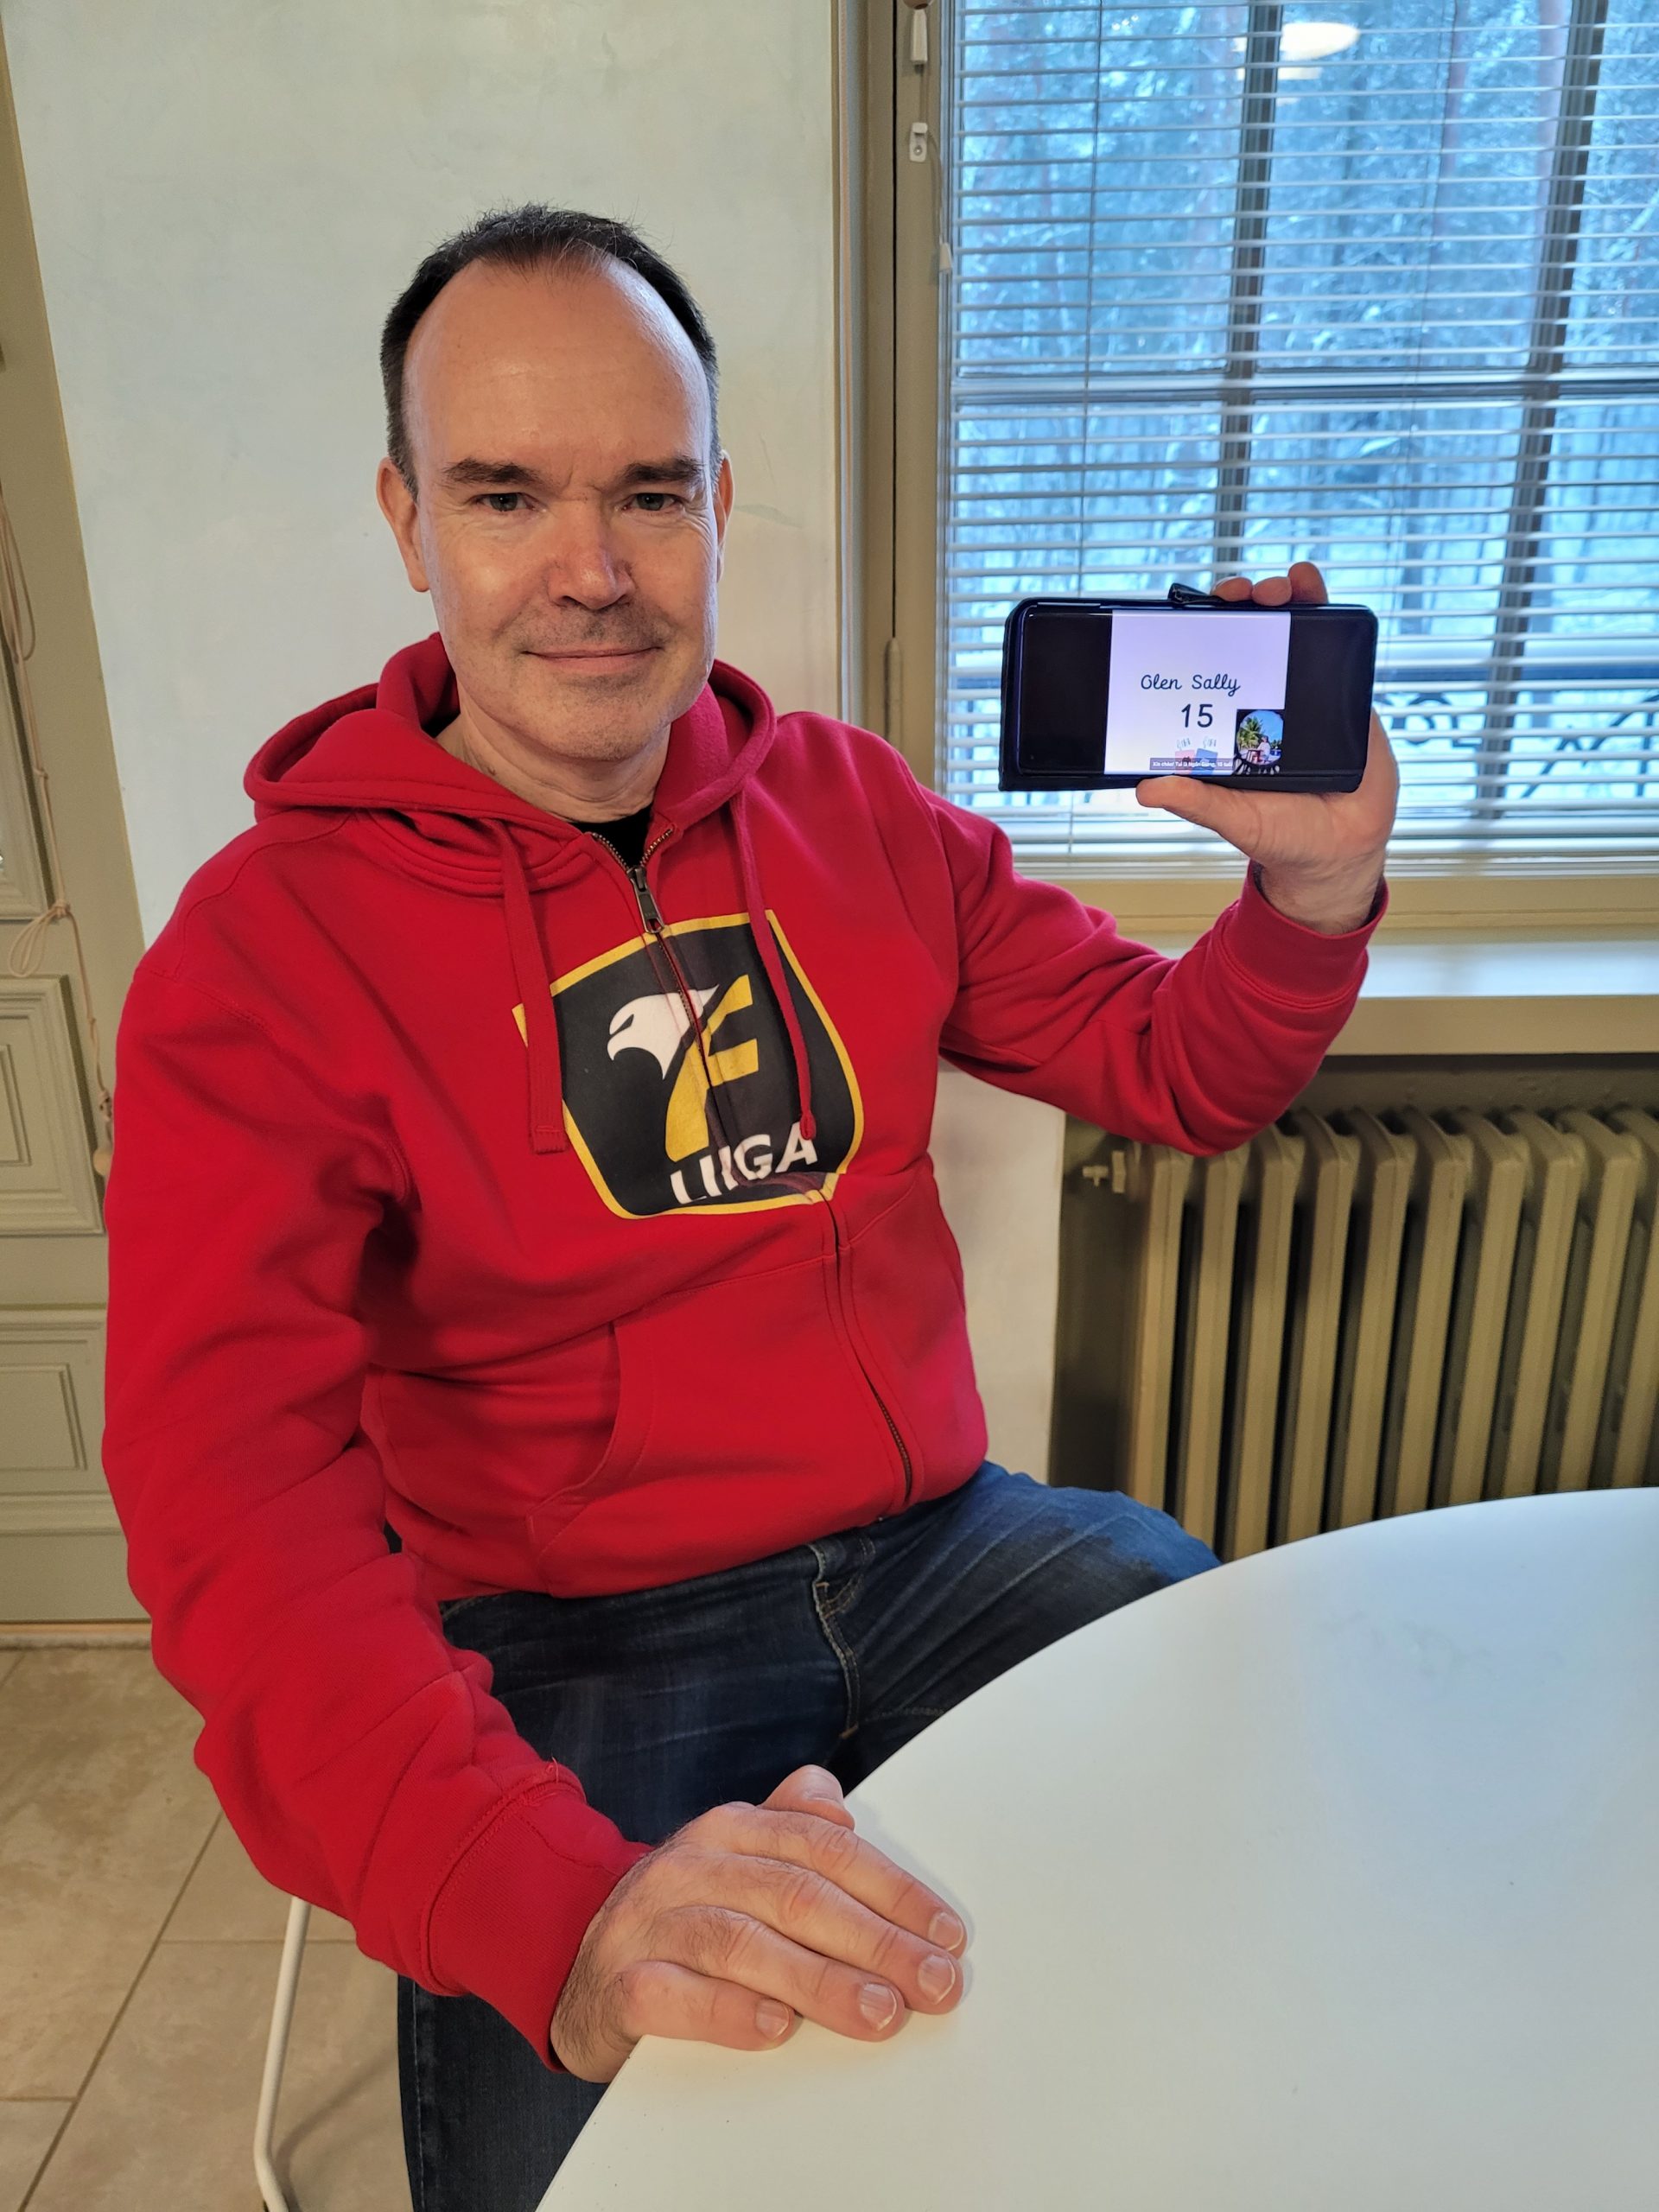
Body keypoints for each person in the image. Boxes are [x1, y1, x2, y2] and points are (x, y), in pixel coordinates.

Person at [101, 205, 1396, 2209]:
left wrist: (1310, 890)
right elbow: (232, 1506)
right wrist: (549, 1909)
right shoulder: (263, 952)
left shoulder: (859, 809)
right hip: (568, 1631)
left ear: (717, 502)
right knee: (608, 2166)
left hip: (940, 1544)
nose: (590, 569)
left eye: (647, 490)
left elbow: (1176, 1067)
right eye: (506, 494)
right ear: (407, 518)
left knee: (1245, 1831)